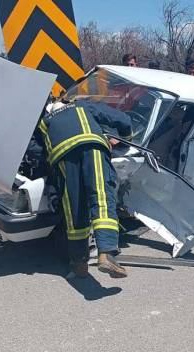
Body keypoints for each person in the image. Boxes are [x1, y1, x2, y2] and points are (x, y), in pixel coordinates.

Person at [34, 98, 134, 279]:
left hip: (62, 159)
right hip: (91, 148)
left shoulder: (43, 122)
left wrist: (49, 162)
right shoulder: (81, 106)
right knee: (101, 197)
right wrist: (125, 141)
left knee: (74, 210)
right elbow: (123, 120)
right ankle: (106, 253)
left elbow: (35, 149)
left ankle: (79, 262)